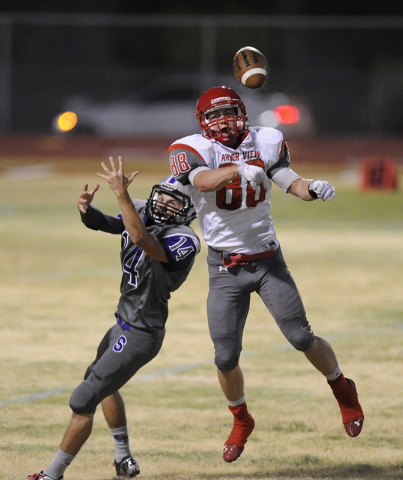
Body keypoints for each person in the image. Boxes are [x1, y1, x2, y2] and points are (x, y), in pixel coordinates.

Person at [168, 86, 364, 463]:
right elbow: (204, 182)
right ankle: (241, 420)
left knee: (300, 336)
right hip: (224, 266)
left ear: (242, 111)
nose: (223, 120)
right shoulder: (193, 148)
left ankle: (342, 388)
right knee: (225, 357)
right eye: (215, 115)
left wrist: (314, 187)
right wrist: (241, 168)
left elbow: (292, 182)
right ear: (202, 123)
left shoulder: (267, 140)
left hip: (267, 260)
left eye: (229, 111)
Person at [28, 156, 200, 480]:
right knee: (101, 381)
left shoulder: (185, 240)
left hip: (141, 332)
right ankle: (123, 459)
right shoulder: (143, 213)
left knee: (82, 399)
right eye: (161, 195)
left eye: (172, 200)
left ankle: (52, 475)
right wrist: (87, 211)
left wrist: (121, 195)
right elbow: (107, 224)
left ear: (188, 210)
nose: (163, 202)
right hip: (124, 321)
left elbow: (141, 239)